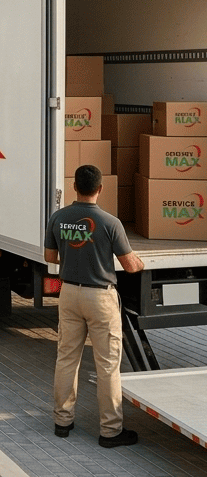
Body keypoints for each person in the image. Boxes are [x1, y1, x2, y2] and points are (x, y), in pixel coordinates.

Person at [45, 164, 145, 447]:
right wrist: (140, 262)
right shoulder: (111, 223)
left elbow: (50, 256)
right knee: (108, 365)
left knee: (66, 359)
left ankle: (62, 422)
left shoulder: (59, 217)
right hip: (100, 298)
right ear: (100, 189)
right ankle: (110, 431)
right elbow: (129, 265)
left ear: (74, 187)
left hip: (69, 295)